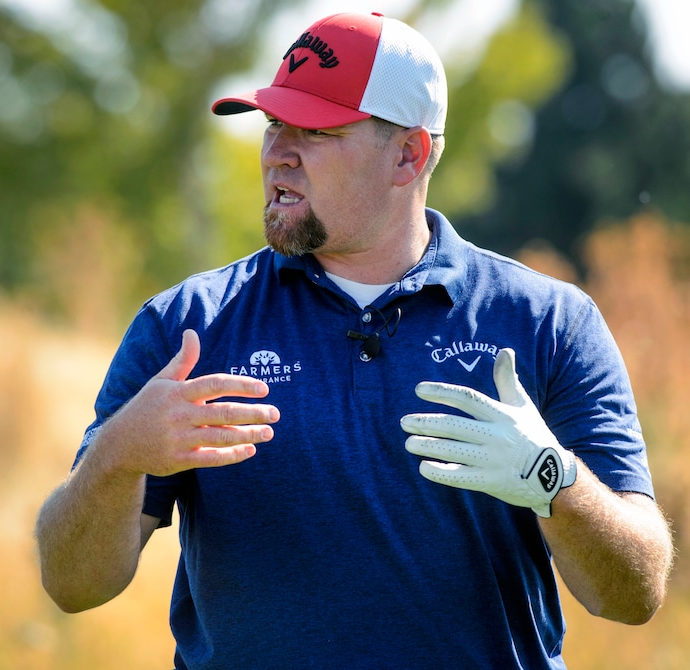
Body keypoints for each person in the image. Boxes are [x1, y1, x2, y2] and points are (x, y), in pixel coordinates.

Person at [35, 11, 673, 670]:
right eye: (273, 123)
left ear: (408, 154)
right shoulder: (187, 326)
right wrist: (115, 457)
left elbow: (635, 594)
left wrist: (554, 483)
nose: (277, 150)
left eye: (314, 130)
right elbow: (71, 585)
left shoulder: (548, 323)